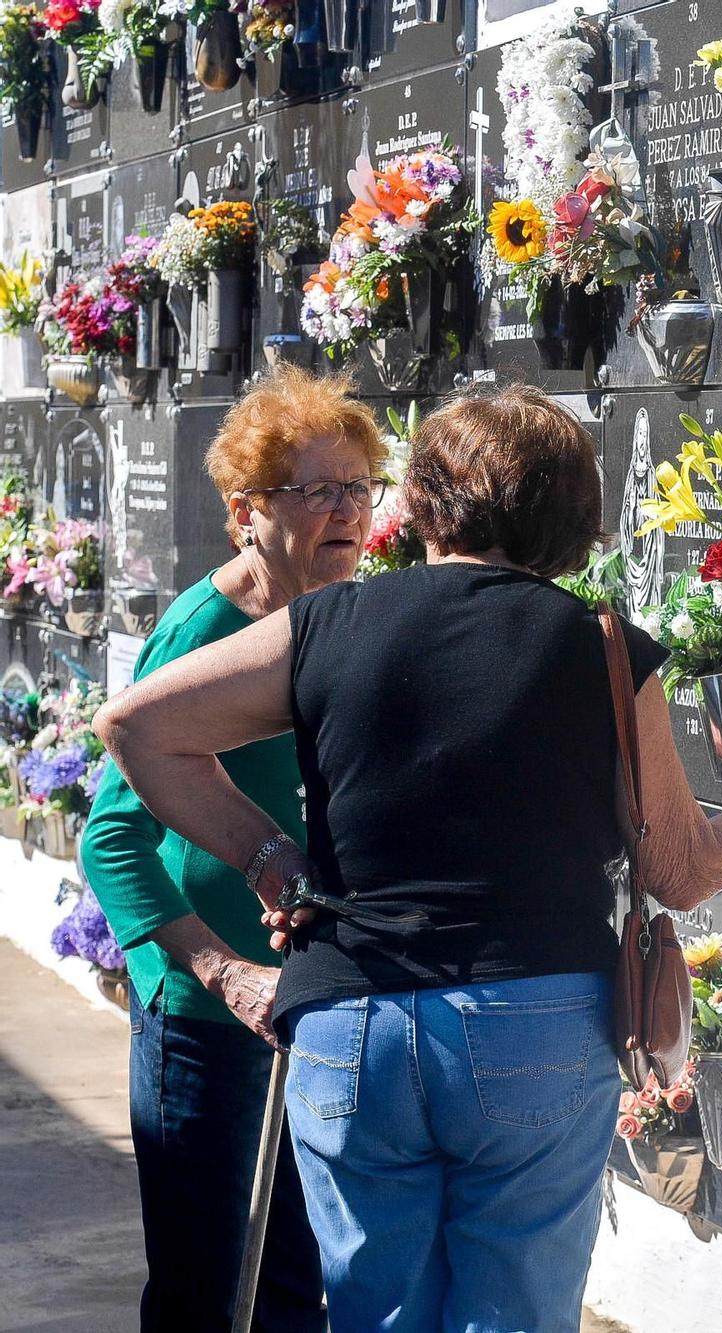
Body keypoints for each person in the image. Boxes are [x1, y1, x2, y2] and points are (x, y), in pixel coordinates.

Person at [94, 383, 722, 1333]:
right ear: (571, 512)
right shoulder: (602, 647)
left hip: (351, 1023)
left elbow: (137, 726)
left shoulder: (327, 624)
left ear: (423, 500)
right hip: (529, 1024)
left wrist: (271, 861)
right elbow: (682, 870)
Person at [82, 364, 387, 1332]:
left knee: (297, 1289)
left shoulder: (353, 614)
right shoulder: (205, 632)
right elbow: (111, 840)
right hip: (211, 1028)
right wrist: (223, 972)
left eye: (357, 487)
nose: (344, 512)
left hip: (318, 1016)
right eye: (316, 491)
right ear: (246, 510)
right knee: (207, 1294)